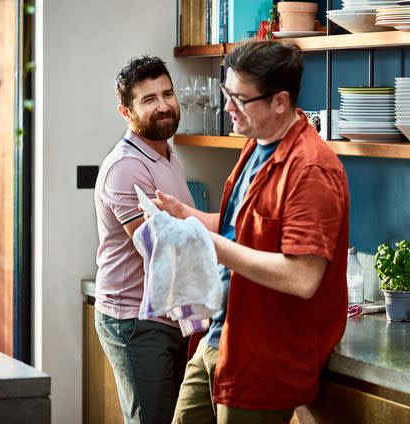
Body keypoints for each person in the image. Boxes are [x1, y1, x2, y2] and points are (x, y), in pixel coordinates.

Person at [152, 40, 349, 423]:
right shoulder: (257, 144)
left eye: (240, 99)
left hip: (263, 357)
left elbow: (302, 277)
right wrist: (188, 218)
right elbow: (244, 230)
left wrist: (211, 246)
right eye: (228, 94)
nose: (228, 108)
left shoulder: (311, 170)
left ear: (280, 101)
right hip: (219, 339)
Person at [93, 55, 194, 424]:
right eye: (149, 99)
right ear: (125, 110)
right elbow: (159, 247)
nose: (164, 105)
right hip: (134, 319)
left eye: (167, 93)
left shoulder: (168, 156)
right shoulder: (125, 167)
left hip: (170, 314)